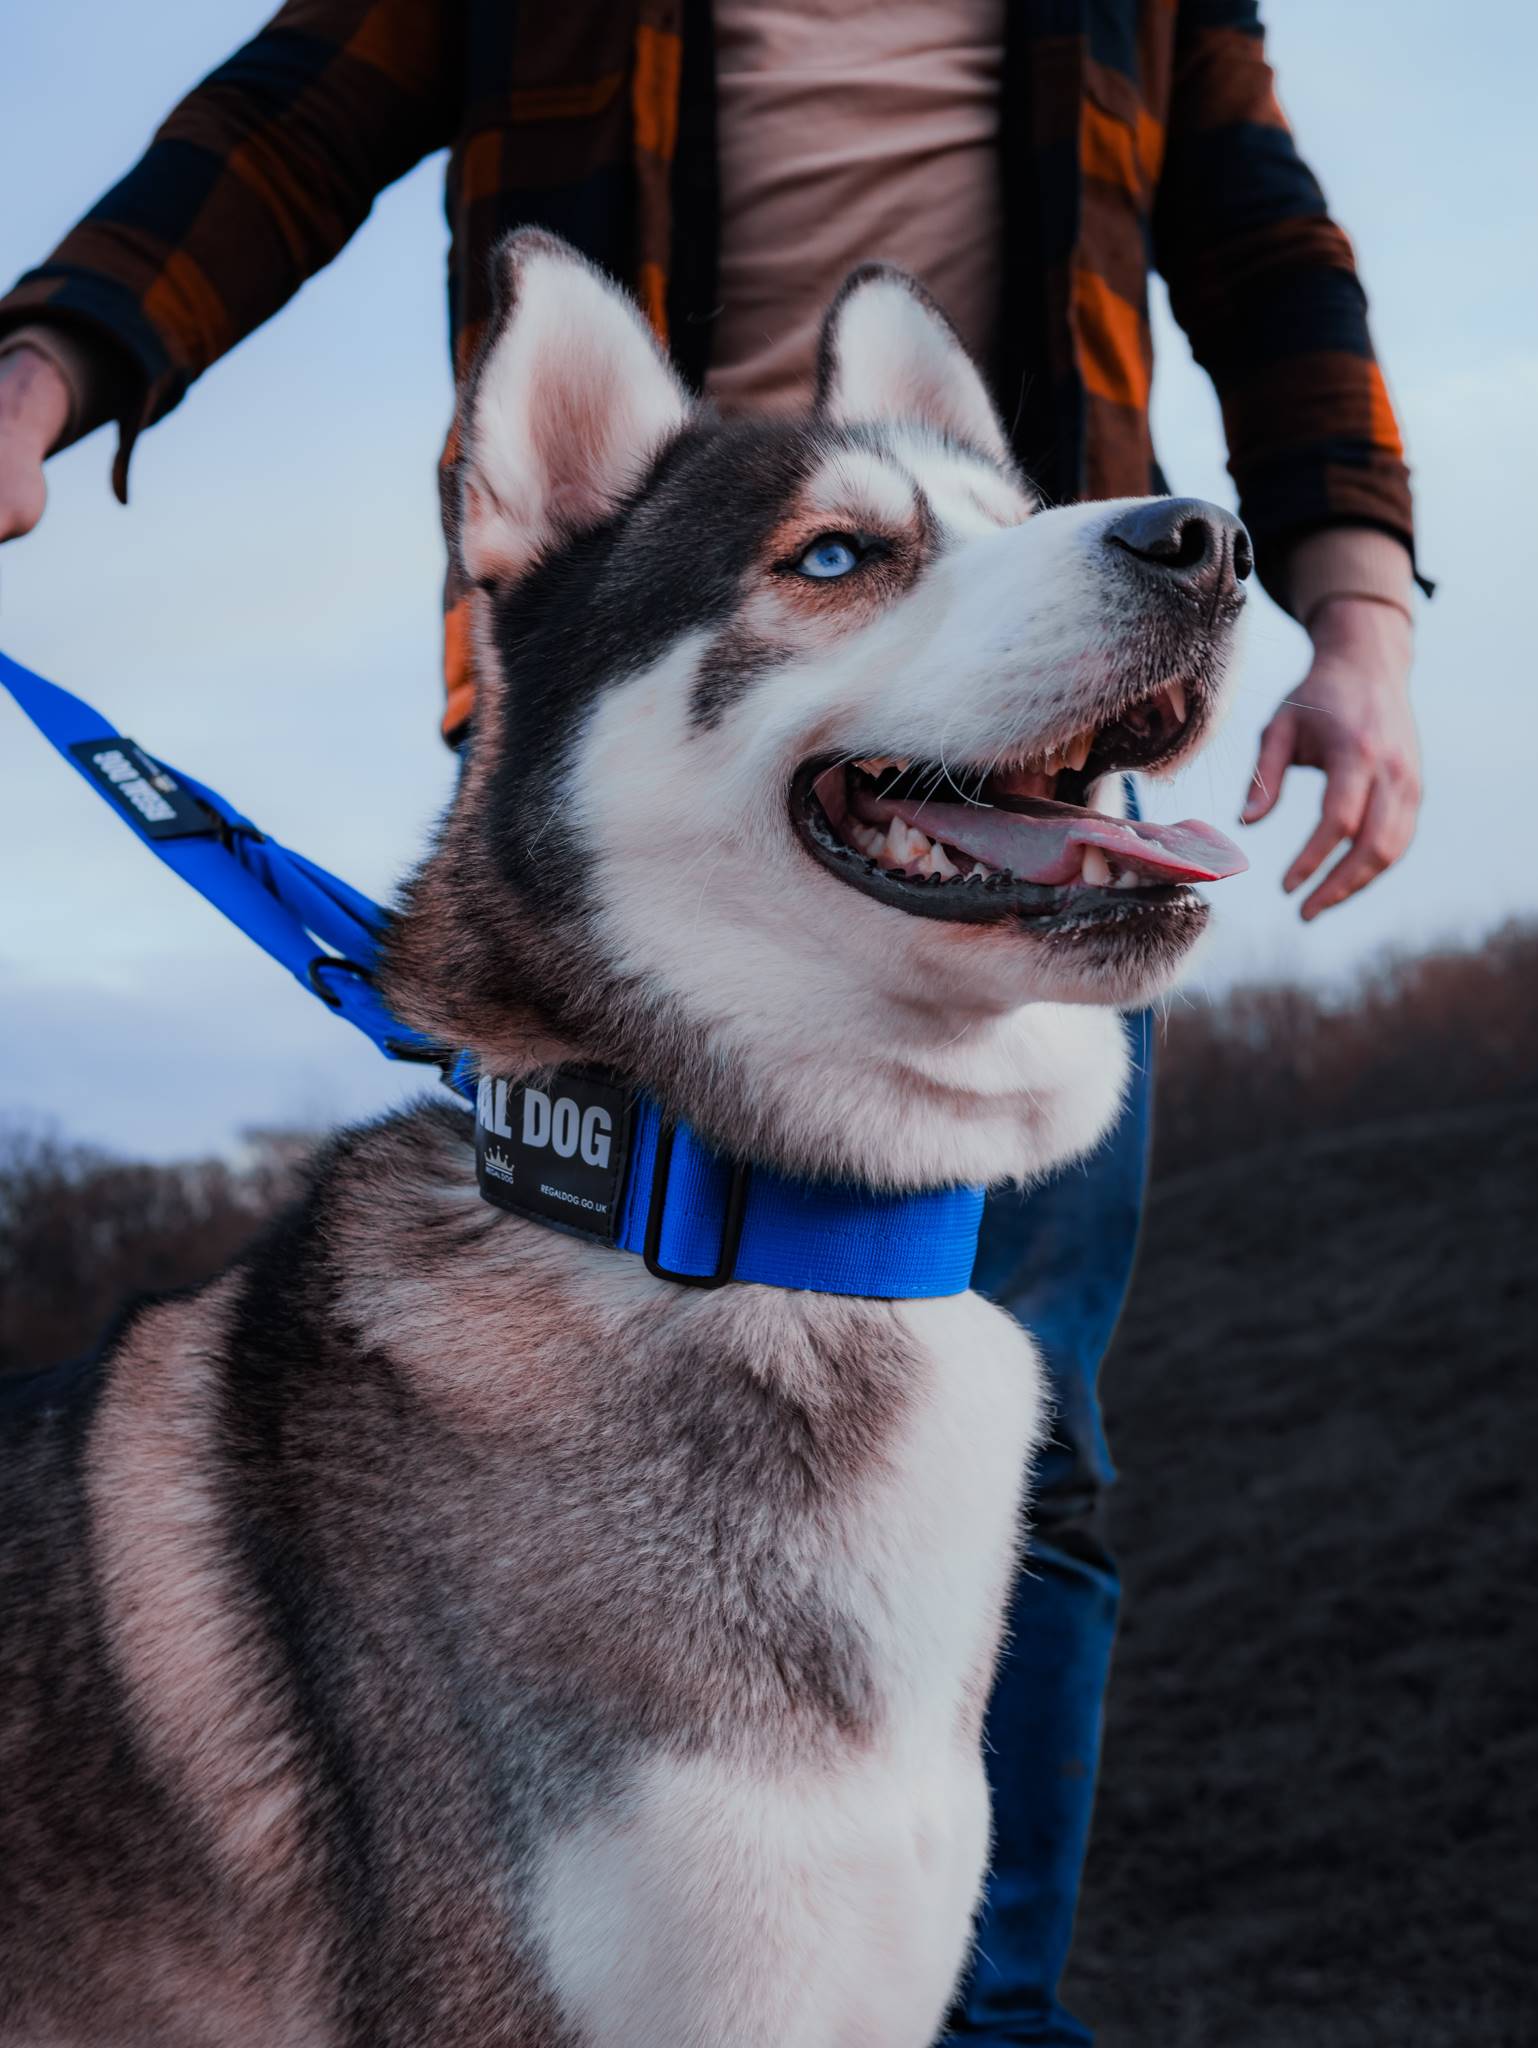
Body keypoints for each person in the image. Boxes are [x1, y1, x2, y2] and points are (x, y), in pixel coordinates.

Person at [0, 4, 1423, 2039]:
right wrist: (42, 369)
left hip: (988, 750)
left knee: (1045, 1464)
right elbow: (283, 128)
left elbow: (1268, 246)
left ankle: (976, 2013)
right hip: (655, 671)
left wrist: (1352, 608)